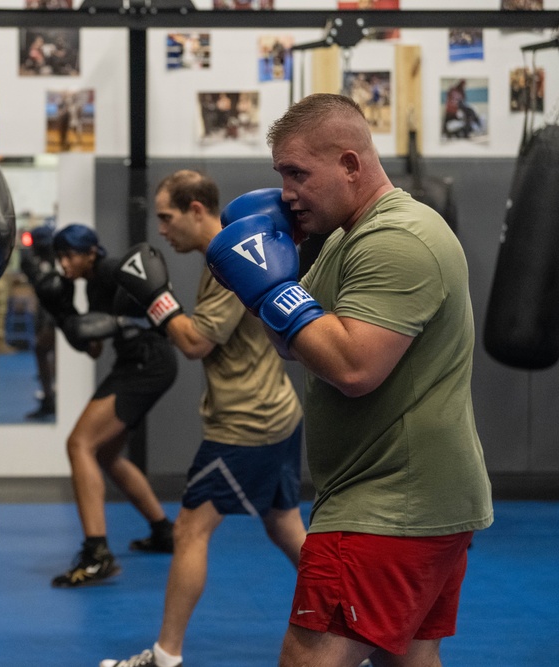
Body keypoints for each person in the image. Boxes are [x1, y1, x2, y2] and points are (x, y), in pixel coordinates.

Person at [206, 93, 493, 666]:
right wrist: (261, 280)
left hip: (390, 504)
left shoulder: (397, 240)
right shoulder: (345, 236)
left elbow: (353, 367)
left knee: (307, 660)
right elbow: (298, 344)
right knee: (408, 656)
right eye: (280, 174)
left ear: (350, 164)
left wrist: (267, 289)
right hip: (409, 499)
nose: (286, 192)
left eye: (297, 173)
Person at [100, 173, 307, 667]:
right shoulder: (233, 252)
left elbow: (195, 343)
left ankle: (165, 656)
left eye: (167, 218)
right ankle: (357, 626)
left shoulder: (228, 259)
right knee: (285, 528)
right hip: (277, 412)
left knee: (190, 530)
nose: (162, 231)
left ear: (197, 209)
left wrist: (157, 300)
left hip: (245, 424)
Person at [38, 224, 178, 588]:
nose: (65, 264)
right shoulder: (93, 282)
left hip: (148, 362)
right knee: (106, 455)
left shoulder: (117, 270)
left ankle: (97, 553)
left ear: (90, 253)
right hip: (136, 364)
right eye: (60, 257)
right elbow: (94, 344)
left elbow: (157, 318)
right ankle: (164, 532)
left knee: (78, 443)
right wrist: (65, 313)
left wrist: (118, 322)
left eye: (70, 256)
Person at [19, 225, 59, 420]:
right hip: (48, 314)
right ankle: (50, 396)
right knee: (46, 351)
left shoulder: (52, 265)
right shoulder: (46, 264)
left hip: (55, 316)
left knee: (43, 350)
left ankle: (50, 398)